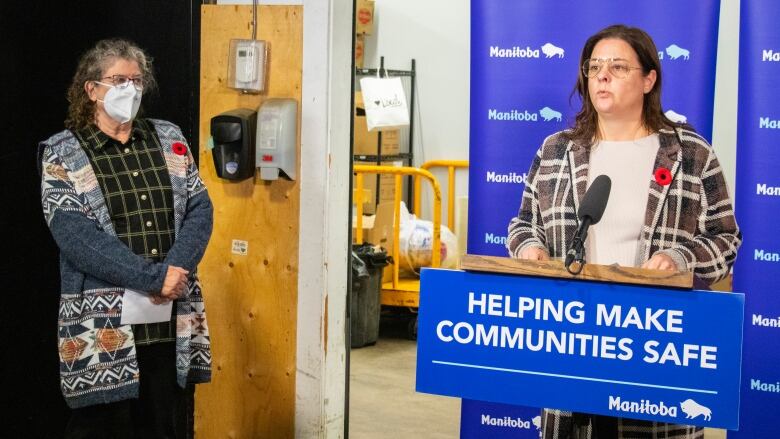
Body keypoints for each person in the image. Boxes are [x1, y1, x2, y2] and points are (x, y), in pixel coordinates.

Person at [506, 24, 740, 439]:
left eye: (617, 66)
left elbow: (725, 238)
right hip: (571, 341)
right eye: (594, 66)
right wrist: (529, 250)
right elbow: (524, 224)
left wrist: (680, 259)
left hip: (656, 349)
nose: (601, 76)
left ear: (649, 79)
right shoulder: (555, 150)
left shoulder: (689, 153)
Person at [39, 38, 213, 438]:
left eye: (137, 80)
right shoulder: (62, 153)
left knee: (162, 423)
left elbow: (200, 209)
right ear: (92, 90)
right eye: (119, 80)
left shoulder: (170, 138)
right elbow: (76, 236)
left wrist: (176, 270)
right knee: (99, 428)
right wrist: (154, 279)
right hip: (103, 326)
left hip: (166, 319)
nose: (130, 89)